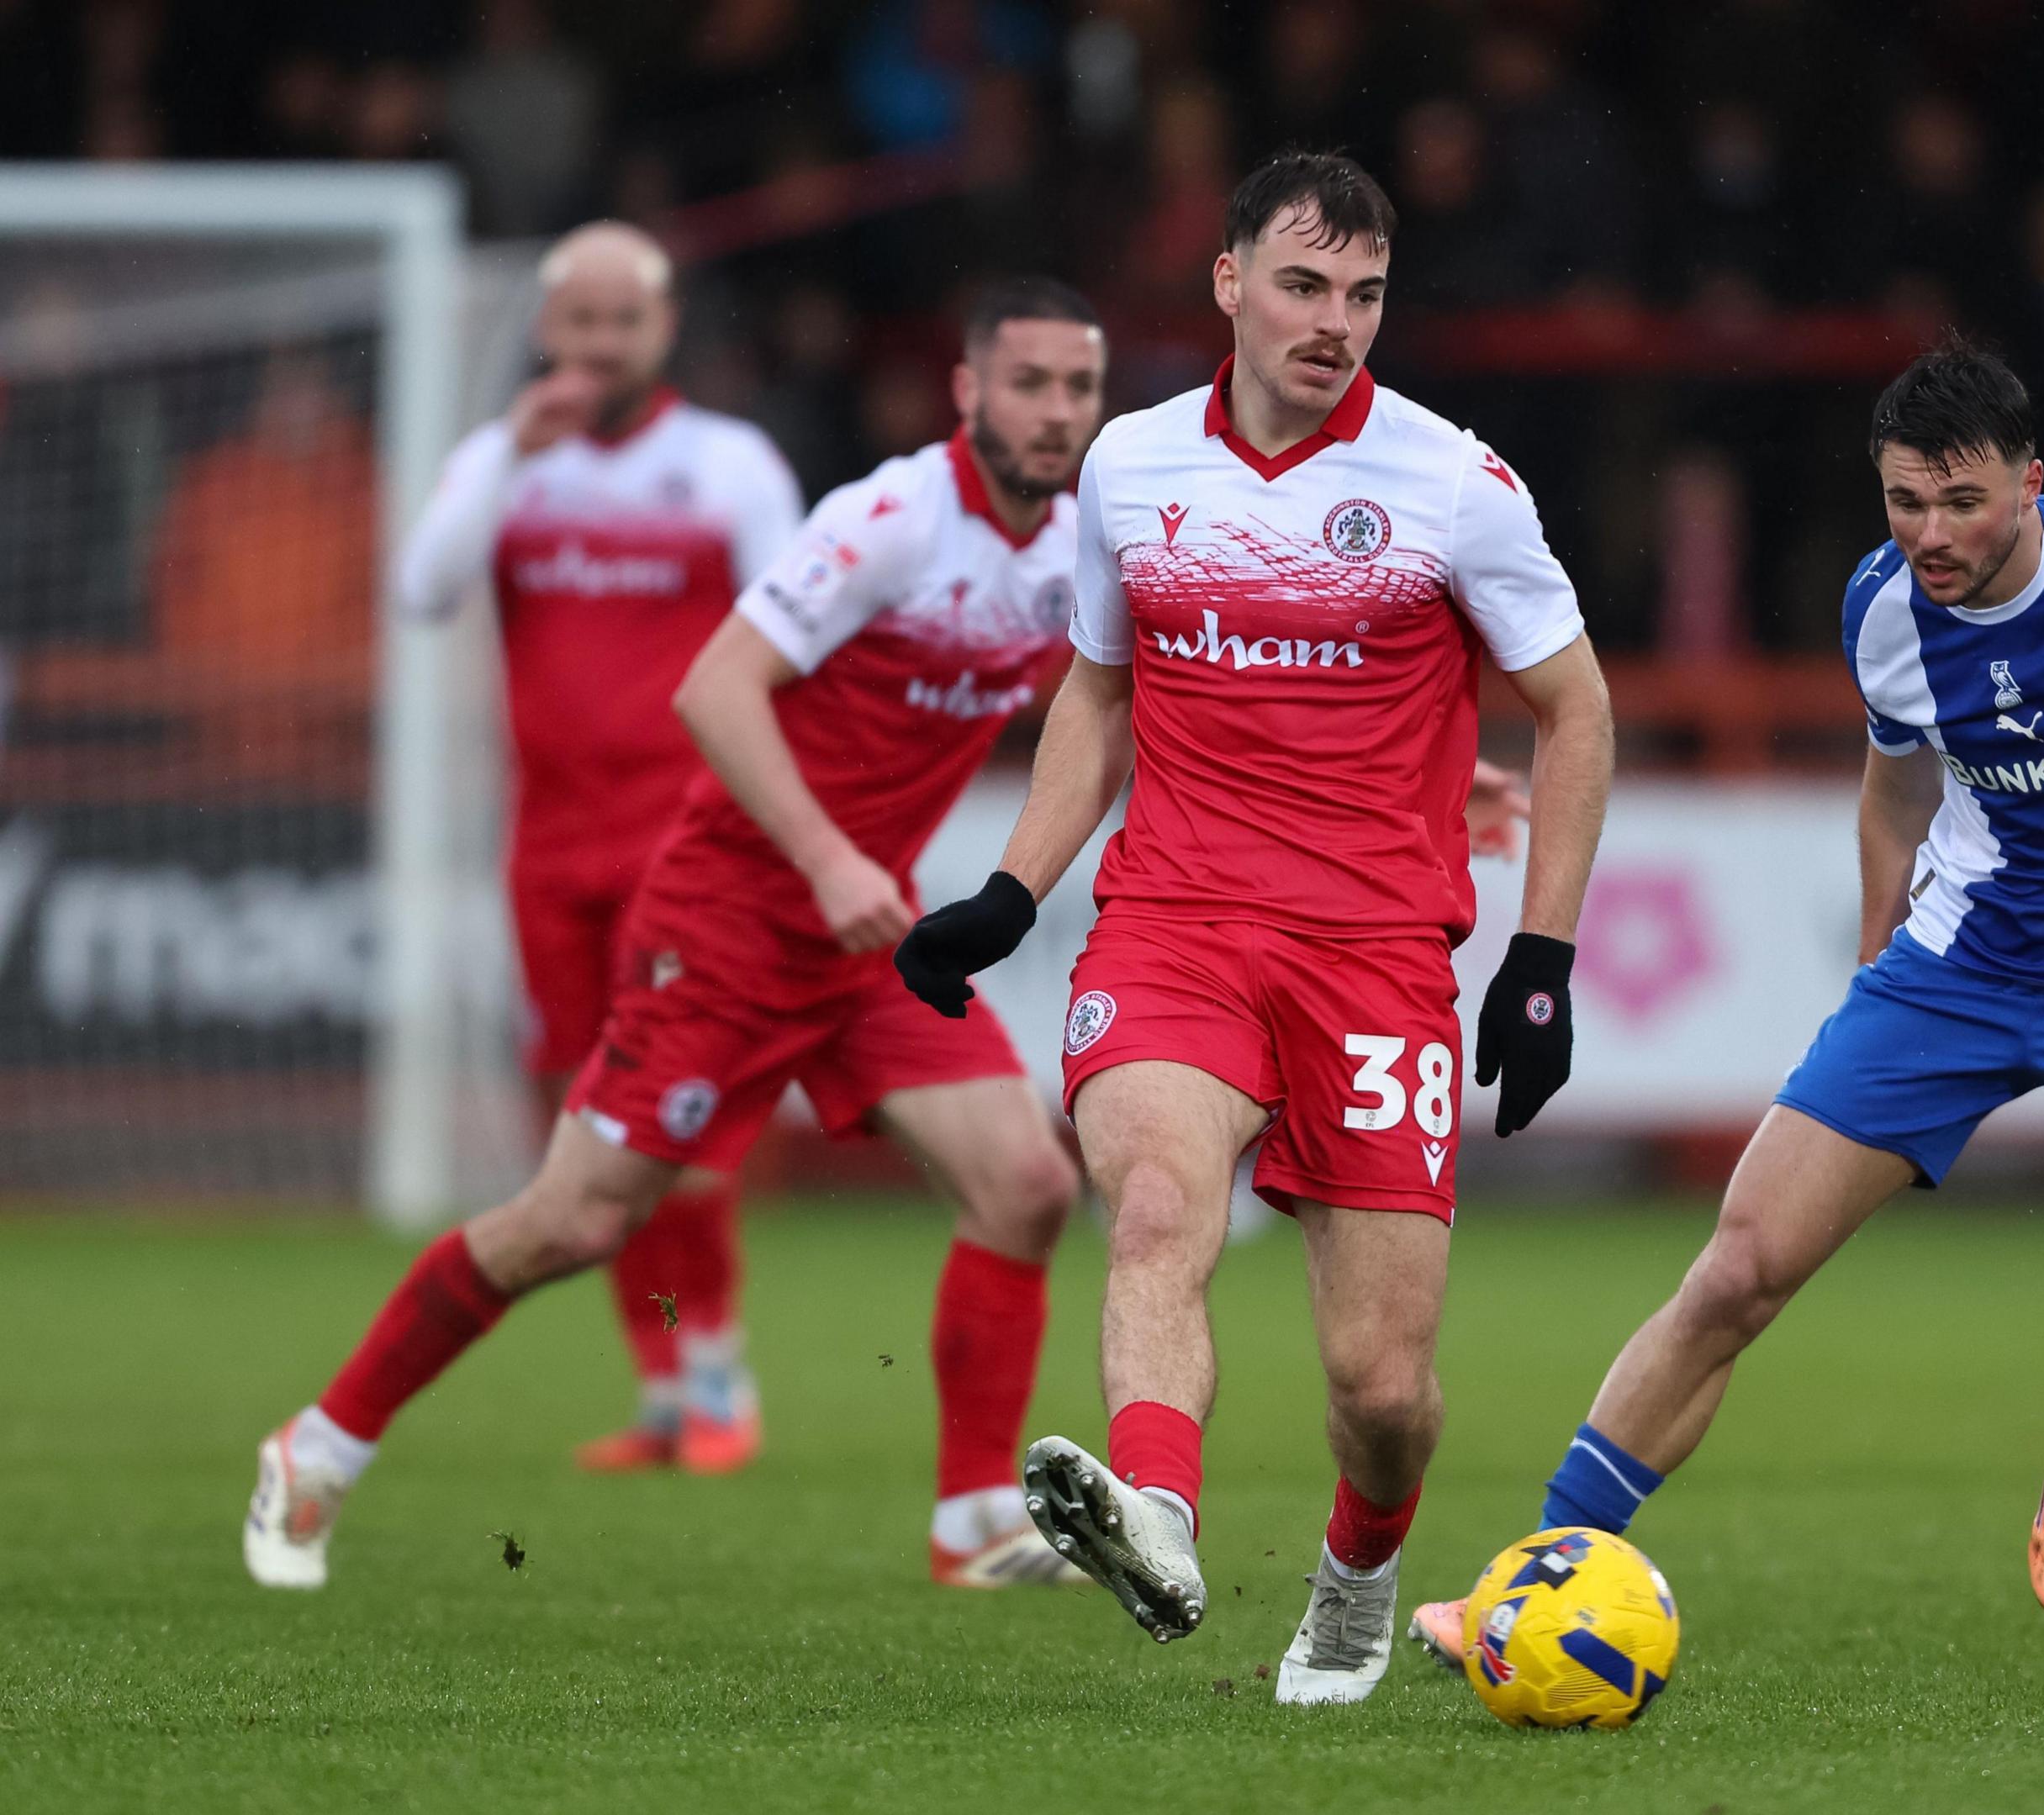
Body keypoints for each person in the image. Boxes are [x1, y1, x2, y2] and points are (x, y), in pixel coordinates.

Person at [1408, 338, 2044, 1661]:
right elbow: (1897, 785)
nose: (1931, 535)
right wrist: (1884, 959)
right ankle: (1527, 1583)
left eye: (1963, 501)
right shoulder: (1880, 608)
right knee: (1737, 1268)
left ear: (2031, 483)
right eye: (1904, 502)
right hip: (1959, 973)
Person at [246, 278, 1113, 1591]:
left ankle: (972, 1517)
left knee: (1029, 1182)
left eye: (1079, 389)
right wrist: (824, 858)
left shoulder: (1076, 549)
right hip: (730, 920)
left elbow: (1180, 686)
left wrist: (1458, 783)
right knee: (572, 1222)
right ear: (969, 391)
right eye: (1031, 384)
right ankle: (318, 1446)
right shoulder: (891, 519)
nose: (1056, 414)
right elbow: (715, 688)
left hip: (860, 934)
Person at [894, 151, 1617, 1702]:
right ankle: (1156, 1514)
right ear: (1228, 283)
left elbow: (1576, 710)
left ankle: (1360, 1570)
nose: (1334, 322)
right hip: (1177, 921)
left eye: (1363, 294)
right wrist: (1014, 892)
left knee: (1382, 1386)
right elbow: (1098, 689)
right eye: (1302, 285)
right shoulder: (1133, 467)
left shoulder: (1454, 484)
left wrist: (1541, 959)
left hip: (1375, 959)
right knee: (1157, 1207)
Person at [392, 222, 800, 1475]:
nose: (599, 346)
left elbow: (799, 638)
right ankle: (667, 1386)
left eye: (624, 324)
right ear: (545, 332)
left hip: (685, 850)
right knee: (587, 1131)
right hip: (549, 847)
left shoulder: (727, 465)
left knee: (667, 1124)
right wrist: (509, 453)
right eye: (580, 323)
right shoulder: (503, 465)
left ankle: (722, 1372)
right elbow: (422, 588)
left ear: (662, 332)